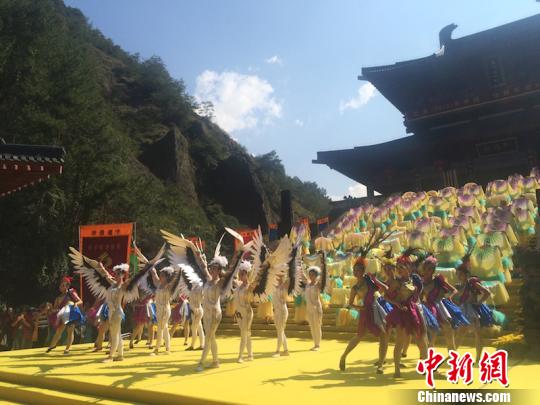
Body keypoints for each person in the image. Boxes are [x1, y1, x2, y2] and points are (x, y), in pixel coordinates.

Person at [339, 257, 390, 374]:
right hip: (365, 313)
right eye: (355, 270)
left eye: (359, 270)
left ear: (363, 270)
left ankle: (380, 364)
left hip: (376, 310)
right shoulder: (355, 288)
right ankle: (344, 356)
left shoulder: (370, 282)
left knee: (383, 335)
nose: (357, 272)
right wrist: (361, 308)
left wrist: (375, 280)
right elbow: (351, 303)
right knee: (359, 336)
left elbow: (384, 288)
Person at [422, 255, 469, 352]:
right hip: (427, 308)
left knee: (448, 328)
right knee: (432, 331)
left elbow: (454, 290)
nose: (427, 271)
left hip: (440, 306)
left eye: (430, 269)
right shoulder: (420, 282)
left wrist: (449, 297)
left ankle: (452, 352)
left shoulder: (438, 280)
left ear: (433, 270)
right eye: (426, 269)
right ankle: (428, 356)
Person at [455, 261, 494, 362]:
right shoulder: (460, 285)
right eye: (457, 274)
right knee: (460, 333)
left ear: (466, 274)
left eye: (461, 274)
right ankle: (453, 354)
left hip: (473, 310)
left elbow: (487, 292)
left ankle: (478, 358)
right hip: (464, 310)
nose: (459, 276)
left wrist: (480, 302)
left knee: (478, 333)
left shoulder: (472, 282)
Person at [46, 277, 84, 355]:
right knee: (59, 331)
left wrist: (75, 304)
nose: (62, 287)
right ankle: (52, 346)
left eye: (63, 285)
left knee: (70, 331)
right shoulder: (58, 298)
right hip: (63, 315)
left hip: (71, 314)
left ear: (67, 286)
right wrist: (51, 309)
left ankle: (67, 348)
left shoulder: (71, 293)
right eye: (61, 286)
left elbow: (80, 301)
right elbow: (55, 309)